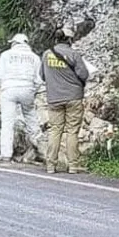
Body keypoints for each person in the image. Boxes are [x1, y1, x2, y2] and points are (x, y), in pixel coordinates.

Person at [41, 26, 89, 174]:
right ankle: (73, 166)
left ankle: (50, 165)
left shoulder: (46, 54)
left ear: (56, 38)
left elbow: (42, 76)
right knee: (72, 132)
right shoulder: (74, 54)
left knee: (55, 131)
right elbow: (84, 75)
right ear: (69, 39)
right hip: (73, 97)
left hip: (54, 98)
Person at [0, 33, 43, 162]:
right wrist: (33, 91)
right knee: (31, 119)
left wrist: (4, 87)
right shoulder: (34, 57)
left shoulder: (5, 55)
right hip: (27, 89)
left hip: (9, 89)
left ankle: (6, 154)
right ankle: (42, 147)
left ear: (14, 43)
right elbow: (39, 80)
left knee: (7, 122)